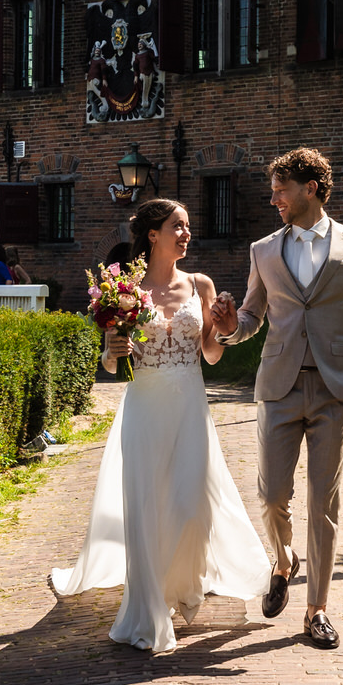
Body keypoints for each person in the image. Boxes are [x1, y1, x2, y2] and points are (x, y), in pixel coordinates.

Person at [51, 199, 269, 654]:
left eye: (188, 226)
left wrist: (224, 328)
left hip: (190, 405)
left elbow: (210, 354)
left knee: (191, 504)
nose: (187, 233)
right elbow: (111, 363)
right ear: (153, 234)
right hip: (145, 408)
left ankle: (181, 585)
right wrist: (112, 349)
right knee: (147, 505)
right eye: (178, 226)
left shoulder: (201, 284)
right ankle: (150, 606)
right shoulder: (124, 288)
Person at [210, 147, 343, 650]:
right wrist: (229, 329)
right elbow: (250, 318)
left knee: (323, 500)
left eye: (281, 190)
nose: (274, 199)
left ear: (310, 188)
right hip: (279, 385)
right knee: (272, 494)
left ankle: (316, 610)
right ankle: (283, 559)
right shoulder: (264, 251)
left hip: (335, 389)